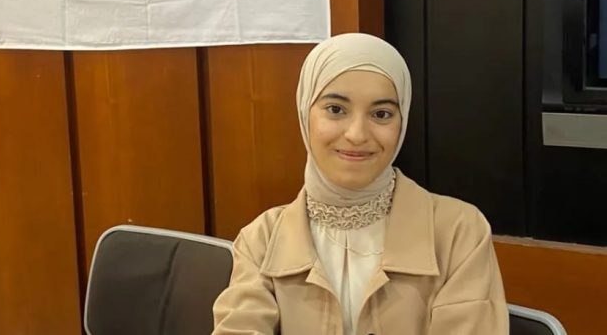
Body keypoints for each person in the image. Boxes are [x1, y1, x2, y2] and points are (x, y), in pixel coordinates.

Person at [211, 33, 508, 335]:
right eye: (335, 109)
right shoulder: (261, 240)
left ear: (401, 123)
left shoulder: (459, 232)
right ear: (304, 113)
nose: (356, 134)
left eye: (381, 114)